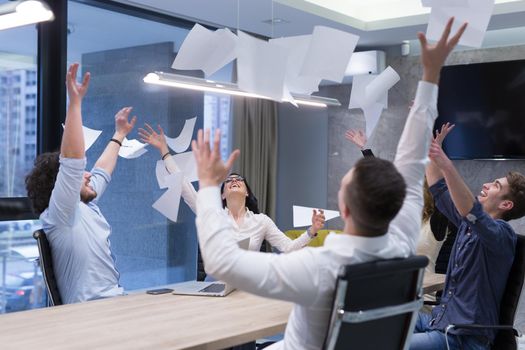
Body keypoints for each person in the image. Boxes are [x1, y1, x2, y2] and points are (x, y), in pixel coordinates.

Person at [190, 18, 467, 350]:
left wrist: (208, 185)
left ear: (345, 208)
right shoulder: (403, 237)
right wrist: (430, 76)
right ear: (397, 207)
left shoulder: (319, 267)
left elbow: (222, 263)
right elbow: (412, 160)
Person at [25, 63, 137, 304]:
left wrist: (119, 134)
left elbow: (102, 170)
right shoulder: (61, 214)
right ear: (62, 185)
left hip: (115, 302)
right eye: (80, 176)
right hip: (90, 315)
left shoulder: (86, 205)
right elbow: (73, 163)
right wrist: (74, 103)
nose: (87, 176)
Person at [410, 129, 525, 348]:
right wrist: (425, 131)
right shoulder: (467, 224)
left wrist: (446, 163)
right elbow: (438, 187)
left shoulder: (501, 236)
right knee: (382, 323)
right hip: (438, 322)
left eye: (495, 186)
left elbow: (471, 211)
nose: (486, 185)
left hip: (463, 339)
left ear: (506, 205)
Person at [138, 125, 325, 253]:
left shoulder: (262, 221)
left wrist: (312, 230)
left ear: (247, 192)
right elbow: (183, 185)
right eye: (229, 180)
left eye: (239, 180)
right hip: (217, 284)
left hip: (247, 286)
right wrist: (164, 151)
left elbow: (288, 248)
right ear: (223, 194)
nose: (234, 181)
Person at [345, 123, 458, 275]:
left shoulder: (435, 223)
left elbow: (440, 189)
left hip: (423, 294)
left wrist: (434, 150)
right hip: (394, 287)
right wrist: (365, 149)